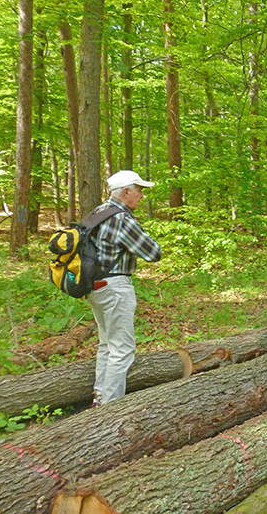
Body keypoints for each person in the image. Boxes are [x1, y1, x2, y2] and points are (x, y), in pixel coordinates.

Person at [88, 170, 162, 405]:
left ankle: (99, 398)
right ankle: (110, 409)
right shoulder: (121, 218)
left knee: (107, 345)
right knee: (122, 350)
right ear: (126, 191)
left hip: (95, 286)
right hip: (115, 286)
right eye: (139, 191)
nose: (141, 196)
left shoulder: (99, 212)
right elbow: (153, 252)